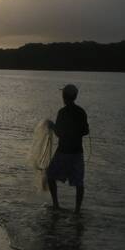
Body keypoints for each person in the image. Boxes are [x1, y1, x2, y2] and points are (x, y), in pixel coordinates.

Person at [46, 84, 89, 213]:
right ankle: (77, 210)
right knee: (79, 183)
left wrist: (52, 126)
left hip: (63, 151)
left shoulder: (62, 112)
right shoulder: (81, 112)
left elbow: (58, 133)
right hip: (77, 152)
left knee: (50, 175)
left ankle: (56, 205)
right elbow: (86, 131)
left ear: (64, 96)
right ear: (75, 97)